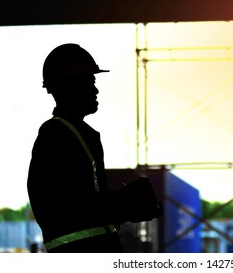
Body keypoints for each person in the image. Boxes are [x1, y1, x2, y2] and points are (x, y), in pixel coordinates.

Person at [27, 43, 161, 253]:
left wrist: (124, 206)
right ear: (71, 86)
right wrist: (125, 203)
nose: (96, 89)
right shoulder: (57, 135)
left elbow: (79, 201)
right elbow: (69, 206)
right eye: (90, 81)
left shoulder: (75, 134)